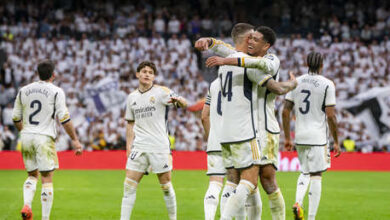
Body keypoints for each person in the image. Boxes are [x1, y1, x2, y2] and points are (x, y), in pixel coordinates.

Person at [200, 25, 297, 220]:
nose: (251, 41)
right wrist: (210, 42)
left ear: (266, 45)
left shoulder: (267, 60)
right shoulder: (246, 64)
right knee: (247, 182)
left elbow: (273, 82)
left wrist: (214, 46)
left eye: (256, 39)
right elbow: (277, 88)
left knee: (266, 181)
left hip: (264, 129)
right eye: (250, 38)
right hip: (248, 129)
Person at [12, 59, 83, 220]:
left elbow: (15, 117)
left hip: (27, 136)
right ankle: (45, 218)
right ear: (53, 75)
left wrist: (26, 132)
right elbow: (64, 118)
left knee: (32, 175)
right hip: (44, 137)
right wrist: (75, 140)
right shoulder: (56, 91)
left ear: (38, 73)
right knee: (46, 177)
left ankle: (27, 205)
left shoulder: (24, 90)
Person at [120, 61, 187, 220]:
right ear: (137, 74)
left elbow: (184, 103)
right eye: (144, 71)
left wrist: (178, 100)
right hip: (139, 146)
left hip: (159, 147)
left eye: (150, 72)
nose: (147, 74)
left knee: (165, 186)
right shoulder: (132, 97)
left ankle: (173, 218)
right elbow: (130, 123)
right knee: (128, 187)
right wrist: (129, 146)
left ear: (154, 76)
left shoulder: (161, 92)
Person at [282, 51, 341, 220]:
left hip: (300, 136)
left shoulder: (297, 82)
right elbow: (330, 116)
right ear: (322, 65)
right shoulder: (328, 84)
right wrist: (336, 141)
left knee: (305, 171)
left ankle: (298, 202)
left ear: (307, 64)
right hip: (318, 137)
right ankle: (311, 217)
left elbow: (285, 111)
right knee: (316, 175)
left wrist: (287, 137)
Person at [201, 77, 226, 220]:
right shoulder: (241, 80)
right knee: (236, 185)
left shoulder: (214, 84)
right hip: (236, 140)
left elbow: (204, 116)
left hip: (215, 142)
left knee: (215, 185)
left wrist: (213, 137)